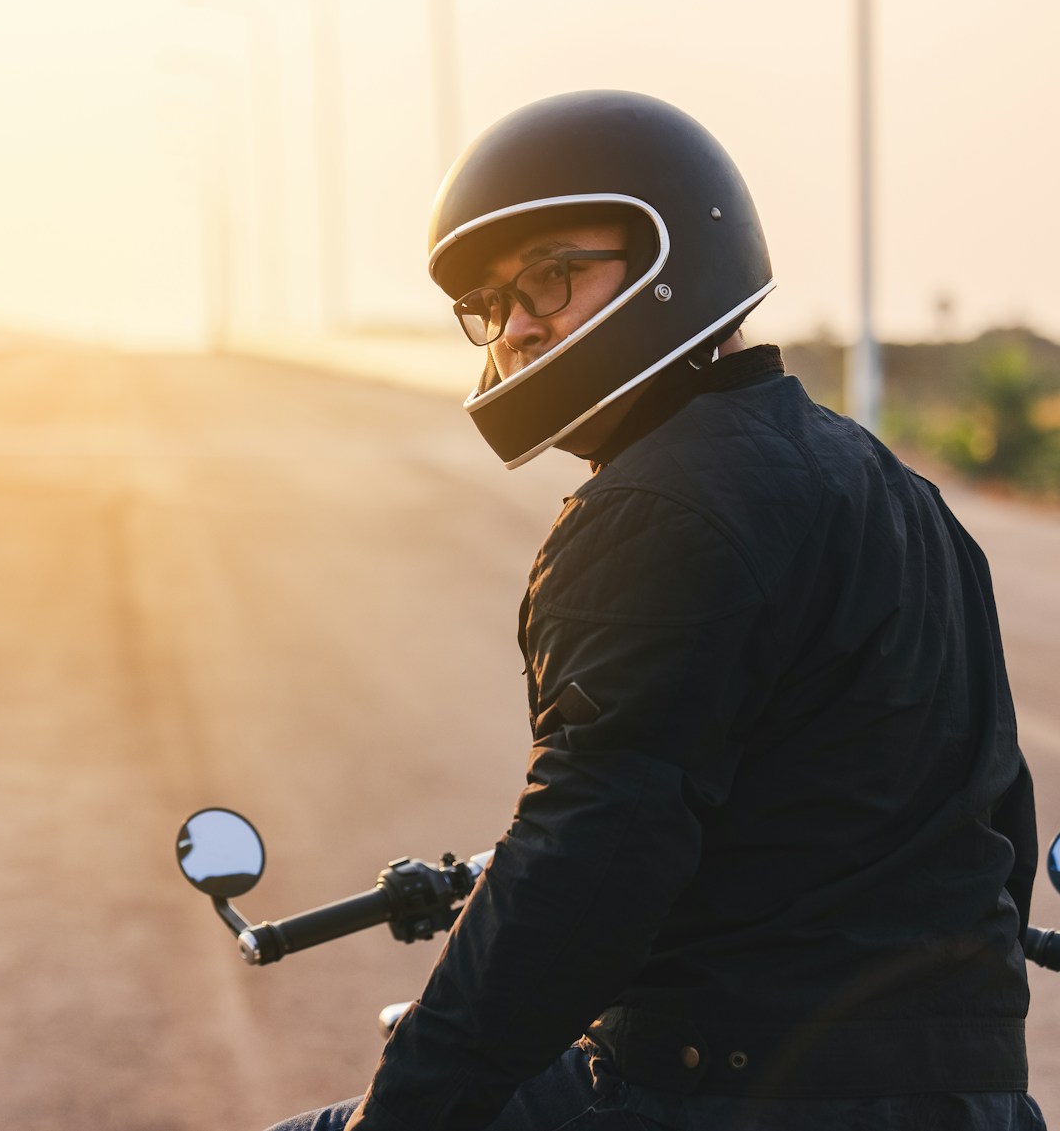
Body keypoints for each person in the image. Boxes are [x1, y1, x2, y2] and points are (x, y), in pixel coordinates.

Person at [269, 91, 1045, 1130]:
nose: (518, 326)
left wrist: (403, 1109)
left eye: (551, 275)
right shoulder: (898, 494)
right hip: (970, 1096)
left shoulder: (652, 508)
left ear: (672, 256)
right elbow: (996, 807)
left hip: (730, 1086)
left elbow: (585, 863)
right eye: (492, 306)